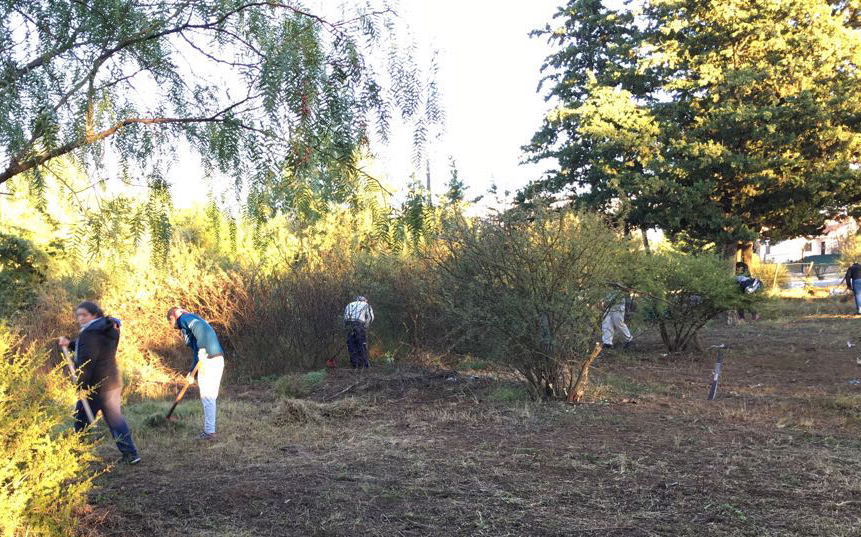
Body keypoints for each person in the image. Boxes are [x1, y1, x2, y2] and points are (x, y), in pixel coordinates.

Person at [58, 301, 141, 465]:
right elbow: (92, 347)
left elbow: (86, 361)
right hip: (111, 382)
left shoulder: (89, 333)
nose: (80, 318)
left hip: (94, 385)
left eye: (84, 315)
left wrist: (81, 386)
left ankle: (76, 454)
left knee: (81, 419)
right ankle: (131, 454)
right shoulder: (108, 328)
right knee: (115, 419)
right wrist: (70, 344)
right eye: (78, 315)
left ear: (94, 314)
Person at [166, 307, 225, 440]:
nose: (172, 326)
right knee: (210, 397)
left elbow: (200, 328)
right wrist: (192, 372)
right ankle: (210, 430)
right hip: (217, 358)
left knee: (207, 397)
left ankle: (209, 433)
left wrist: (203, 349)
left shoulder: (184, 319)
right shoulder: (192, 322)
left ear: (173, 317)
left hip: (209, 359)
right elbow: (196, 351)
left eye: (170, 321)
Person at [343, 296, 374, 368]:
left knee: (351, 345)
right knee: (361, 344)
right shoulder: (366, 305)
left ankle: (355, 364)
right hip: (359, 324)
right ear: (364, 300)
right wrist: (366, 325)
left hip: (348, 324)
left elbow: (344, 317)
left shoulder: (349, 304)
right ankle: (364, 365)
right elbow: (371, 317)